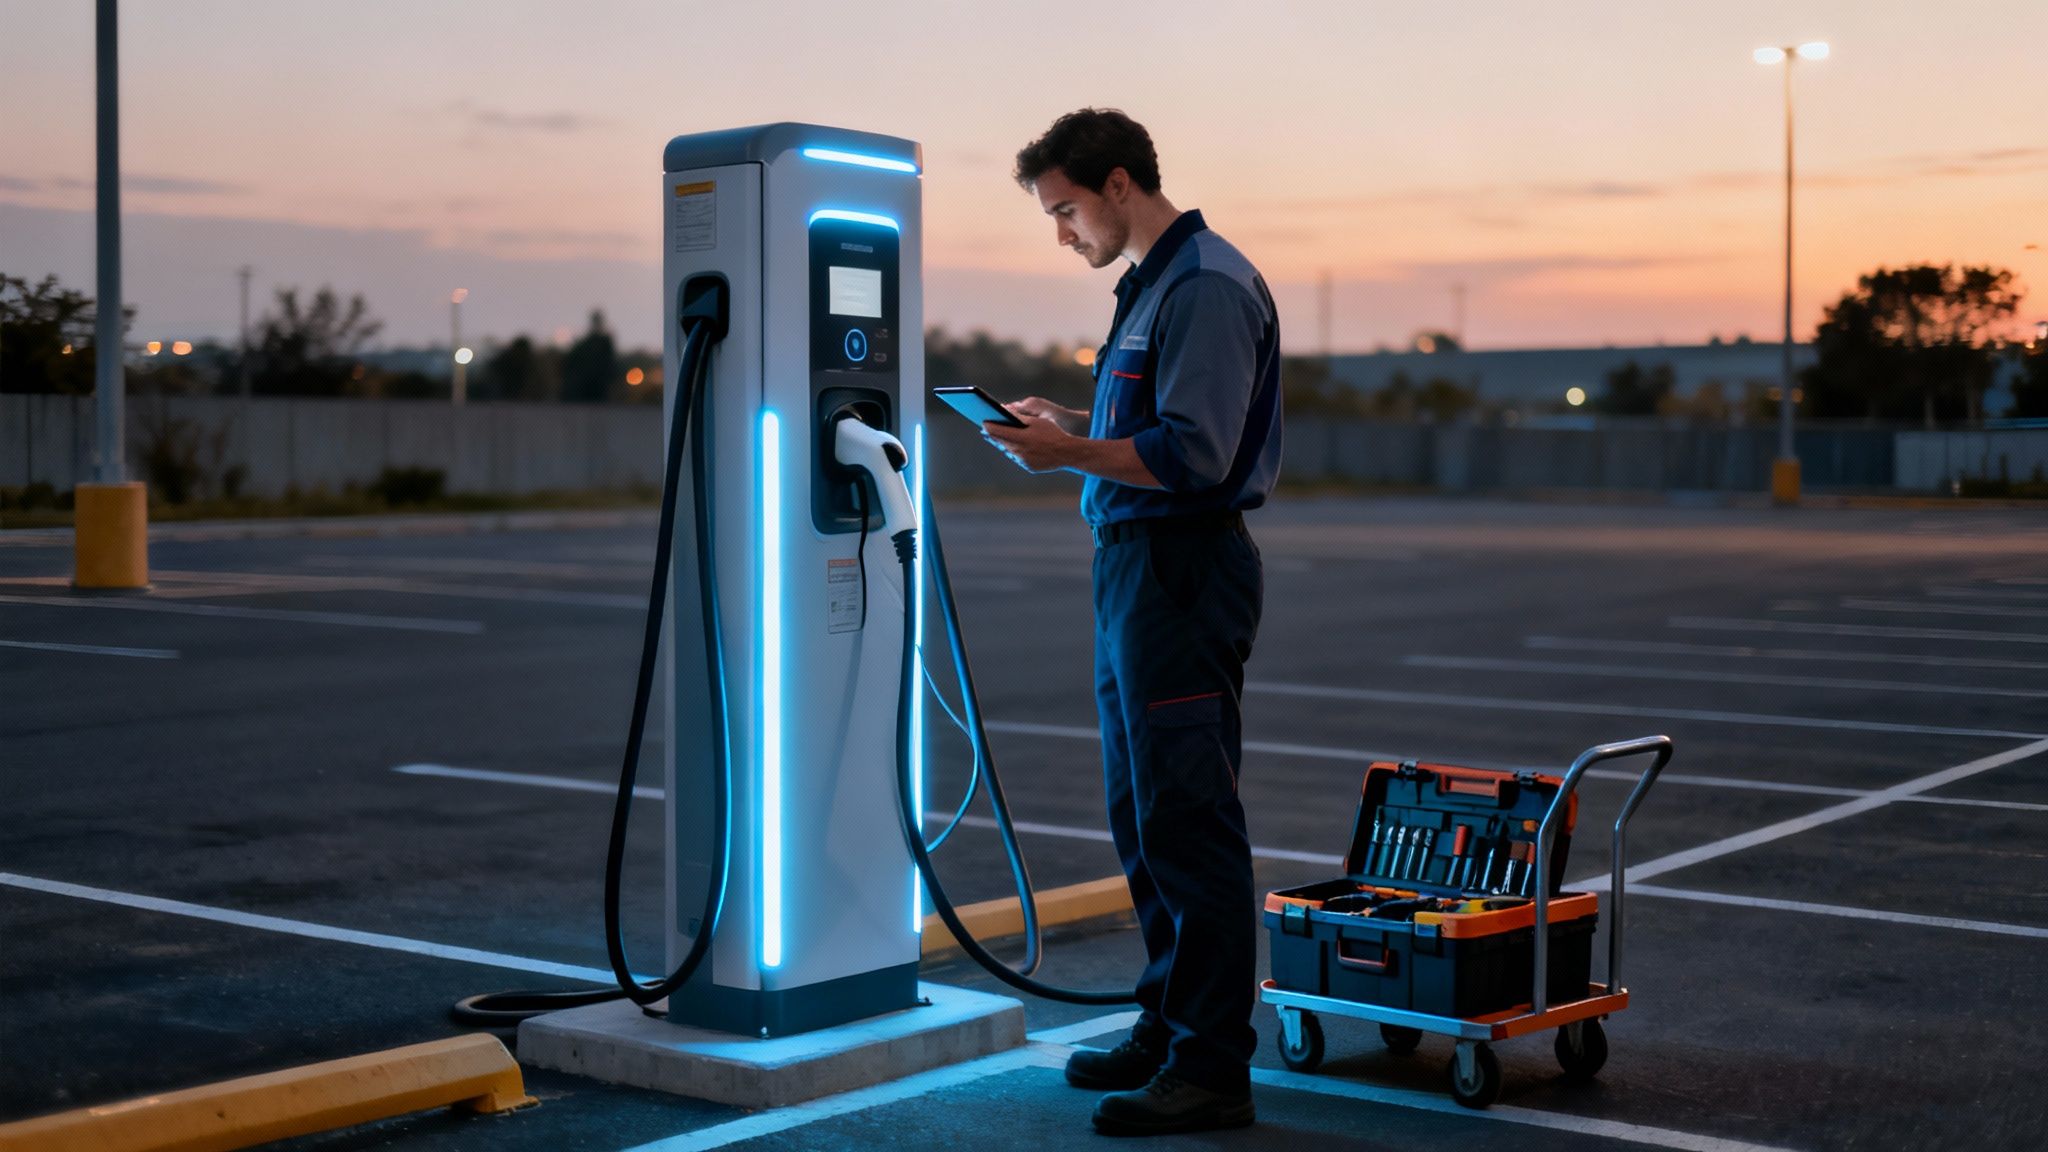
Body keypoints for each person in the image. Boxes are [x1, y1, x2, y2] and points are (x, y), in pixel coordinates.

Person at [985, 107, 1282, 1137]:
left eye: (1065, 210)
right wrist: (1072, 424)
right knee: (1144, 812)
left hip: (1179, 566)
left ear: (1119, 184)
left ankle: (1211, 1067)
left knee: (1188, 817)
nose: (1062, 233)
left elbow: (1193, 453)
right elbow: (1148, 426)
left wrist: (1068, 455)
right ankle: (1166, 1025)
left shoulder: (1203, 284)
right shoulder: (1153, 286)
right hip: (1133, 567)